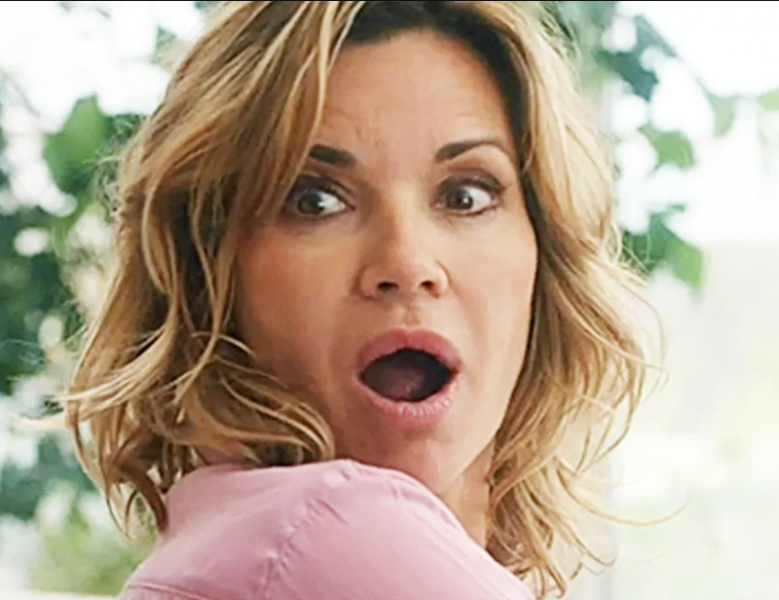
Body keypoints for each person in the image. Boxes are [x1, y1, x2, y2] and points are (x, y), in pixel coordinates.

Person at [59, 1, 658, 599]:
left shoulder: (228, 537)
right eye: (315, 201)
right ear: (209, 267)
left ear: (543, 247)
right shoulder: (332, 530)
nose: (407, 264)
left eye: (466, 196)